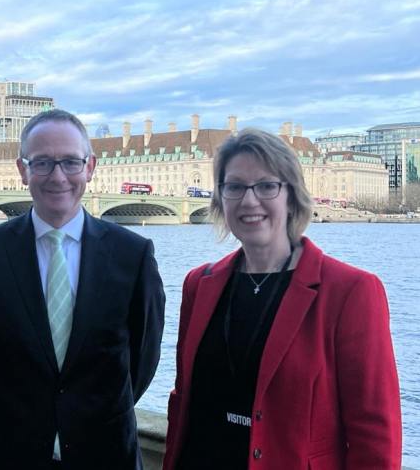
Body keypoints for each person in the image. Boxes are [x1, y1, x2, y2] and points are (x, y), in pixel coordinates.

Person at [164, 128, 402, 470]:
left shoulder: (350, 292)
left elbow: (375, 436)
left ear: (291, 196)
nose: (249, 200)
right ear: (220, 198)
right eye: (234, 187)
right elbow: (183, 400)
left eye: (266, 185)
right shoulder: (198, 286)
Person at [0, 109, 165, 470]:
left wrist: (95, 411)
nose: (57, 176)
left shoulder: (133, 255)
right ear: (22, 170)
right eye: (42, 163)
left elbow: (144, 358)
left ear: (90, 167)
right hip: (13, 454)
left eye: (70, 162)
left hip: (106, 453)